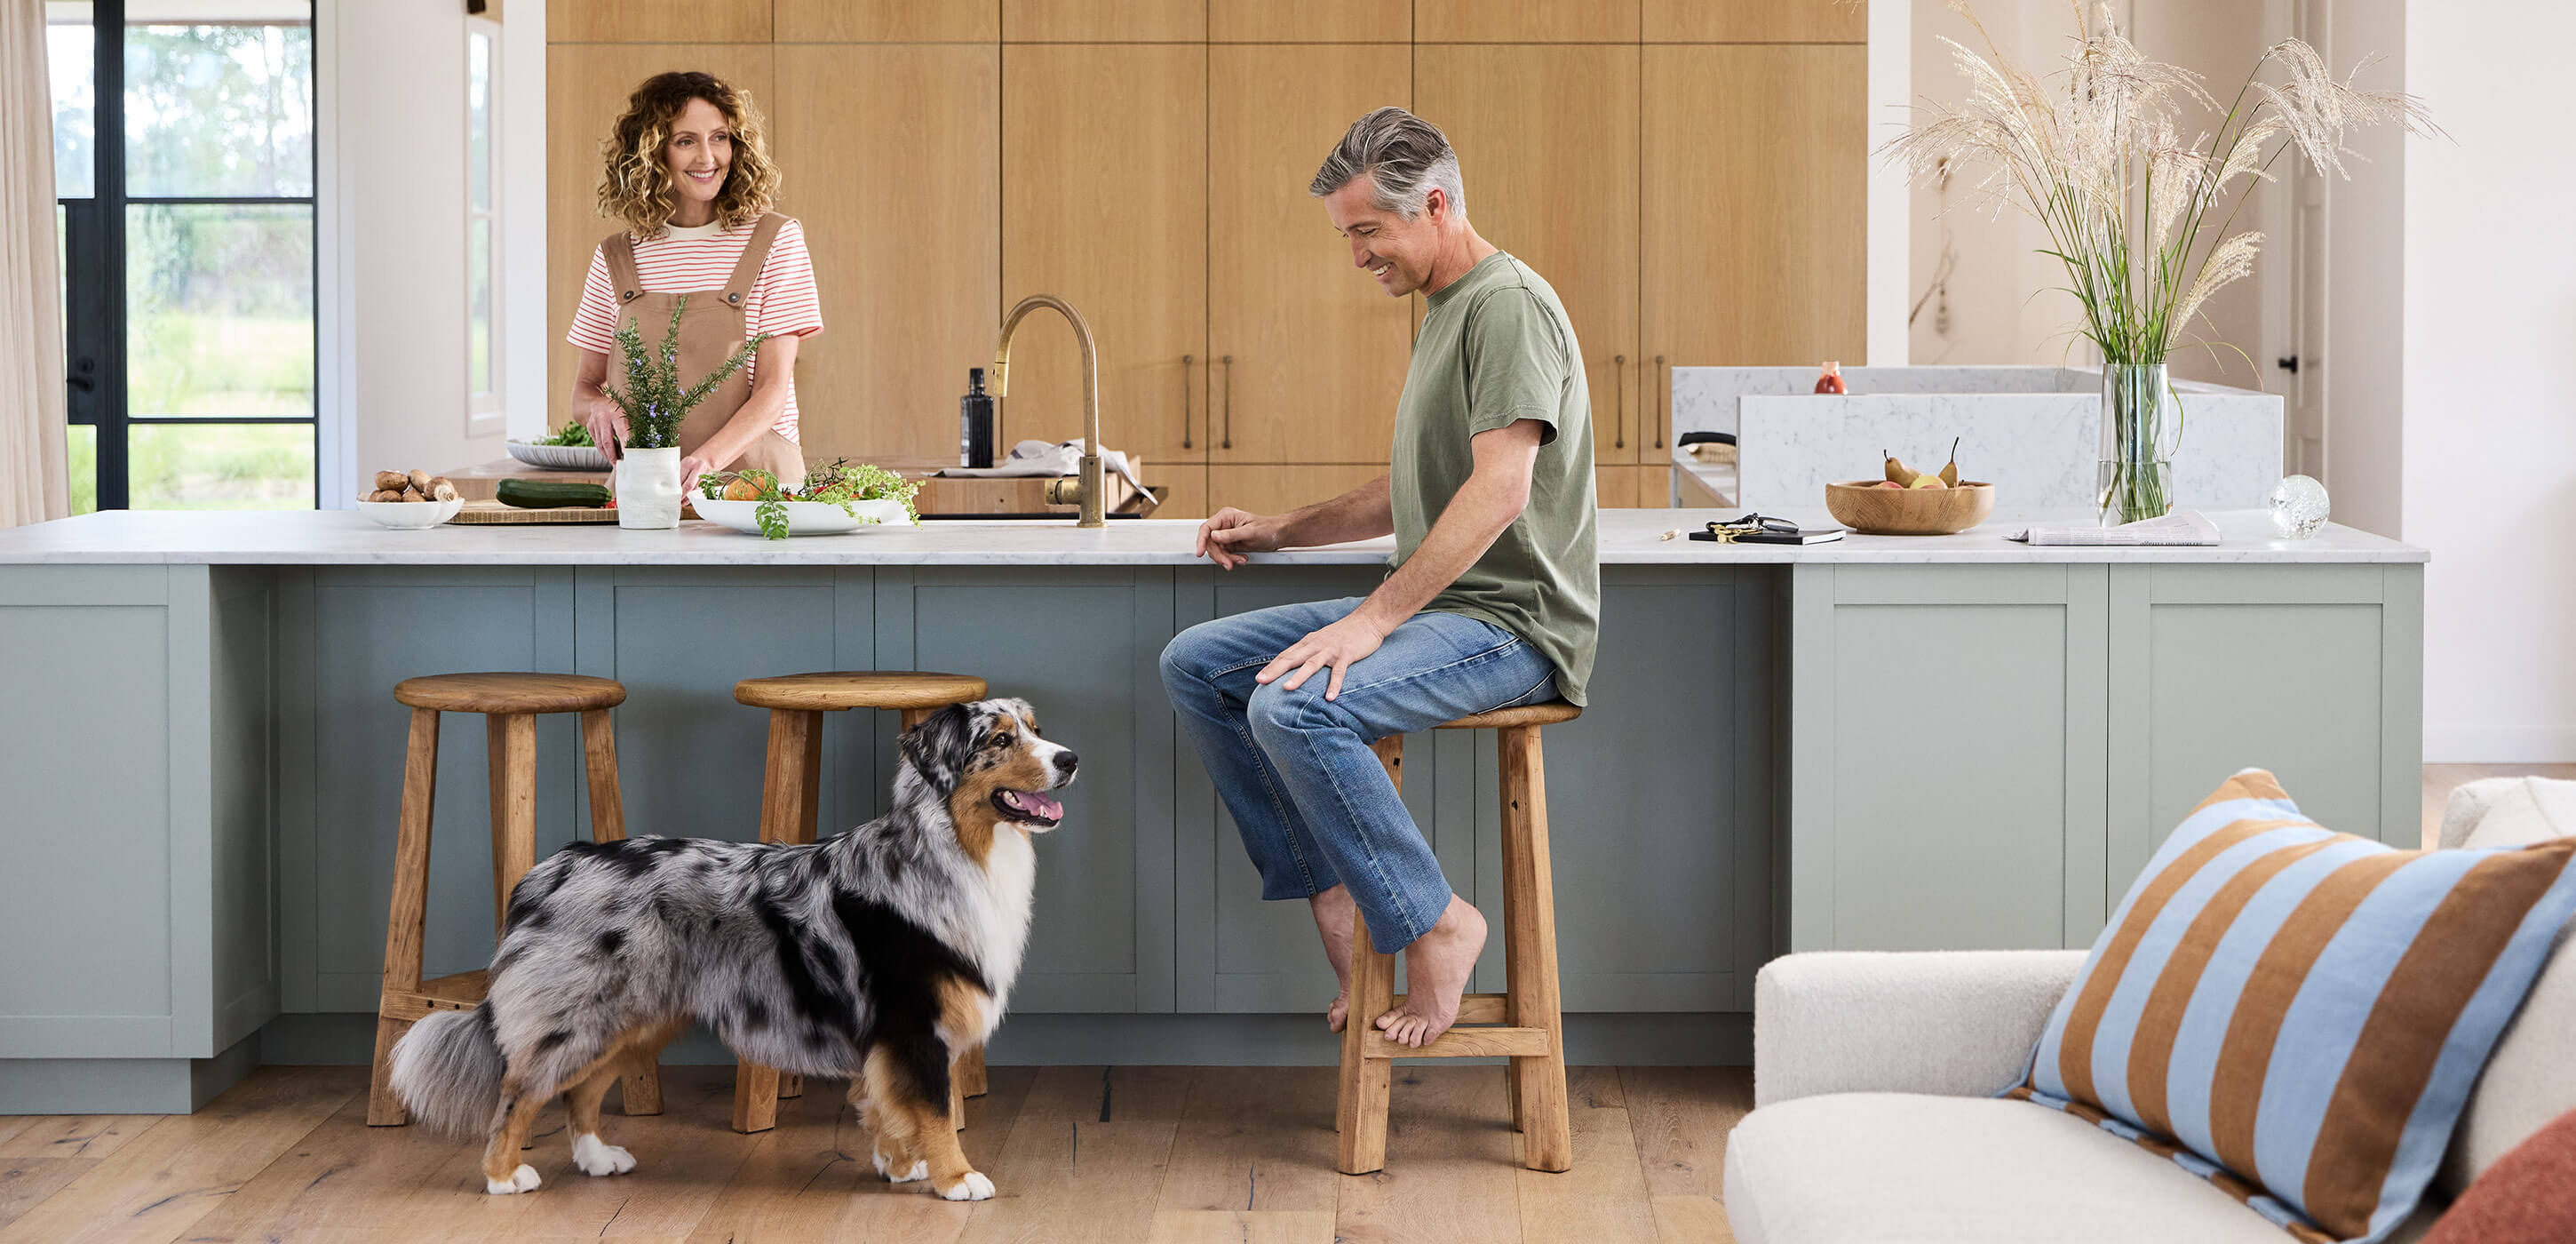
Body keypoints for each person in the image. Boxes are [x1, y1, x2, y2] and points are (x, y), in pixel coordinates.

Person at [1158, 108, 1600, 1049]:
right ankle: (1340, 892)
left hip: (1512, 624)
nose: (1356, 255)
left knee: (1292, 706)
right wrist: (1282, 528)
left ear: (1434, 205)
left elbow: (1497, 492)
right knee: (1198, 665)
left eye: (1366, 231)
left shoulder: (1506, 305)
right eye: (1347, 234)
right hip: (1450, 609)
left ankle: (1437, 919)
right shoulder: (1447, 312)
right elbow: (1417, 493)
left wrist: (1368, 622)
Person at [567, 71, 821, 494]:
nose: (708, 157)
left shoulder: (776, 240)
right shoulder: (616, 256)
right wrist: (600, 407)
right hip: (646, 493)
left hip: (758, 494)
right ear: (651, 153)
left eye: (719, 137)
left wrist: (704, 462)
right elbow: (584, 389)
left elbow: (773, 391)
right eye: (686, 141)